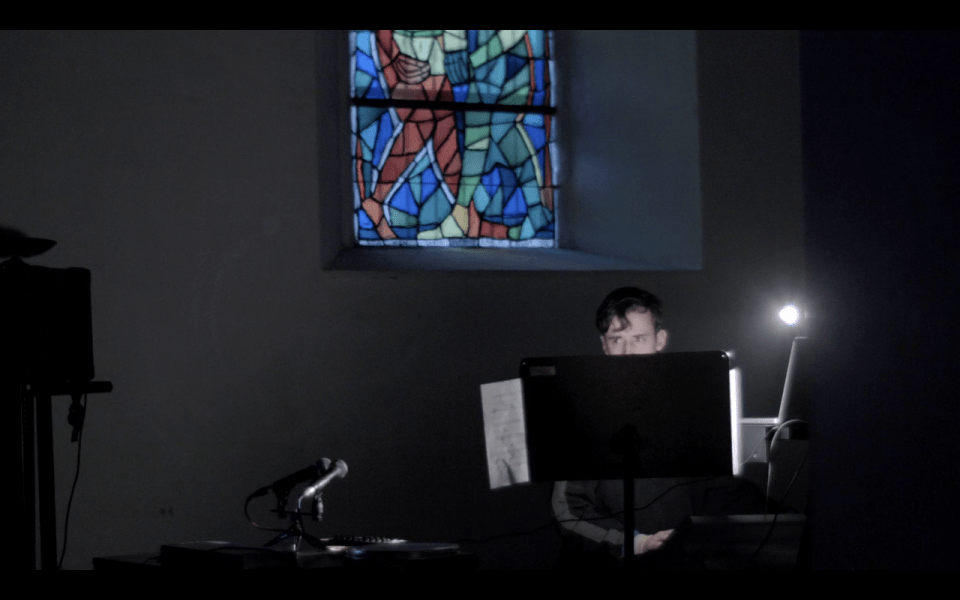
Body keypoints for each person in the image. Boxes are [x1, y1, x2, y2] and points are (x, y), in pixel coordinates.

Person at [551, 287, 769, 568]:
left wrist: (781, 518)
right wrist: (636, 543)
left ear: (660, 340)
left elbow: (722, 491)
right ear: (604, 345)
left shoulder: (693, 412)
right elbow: (567, 510)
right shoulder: (583, 415)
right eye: (617, 340)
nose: (628, 353)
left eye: (639, 339)